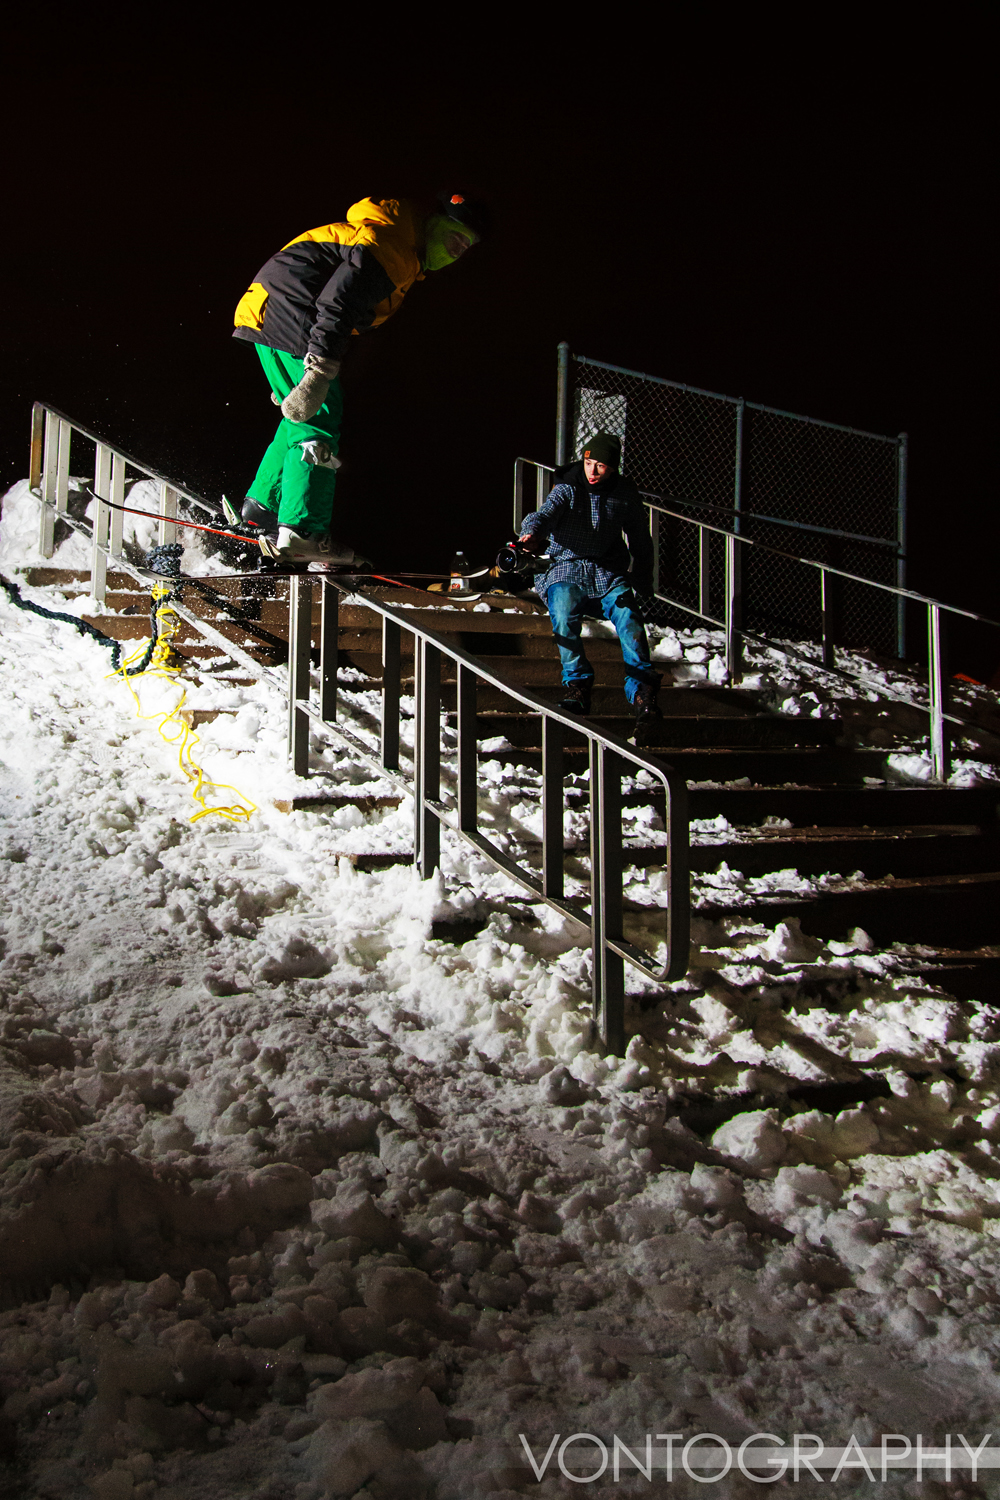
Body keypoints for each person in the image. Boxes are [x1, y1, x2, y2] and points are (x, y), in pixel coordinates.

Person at [233, 191, 488, 564]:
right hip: (295, 315)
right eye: (452, 236)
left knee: (300, 418)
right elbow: (339, 303)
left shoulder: (390, 241)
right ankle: (303, 529)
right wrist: (318, 370)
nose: (454, 250)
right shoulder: (393, 249)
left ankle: (263, 506)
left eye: (464, 247)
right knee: (319, 421)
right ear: (432, 223)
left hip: (270, 310)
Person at [517, 431, 662, 725]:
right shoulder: (568, 487)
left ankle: (642, 693)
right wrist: (531, 533)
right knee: (563, 609)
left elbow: (640, 538)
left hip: (607, 570)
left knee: (629, 617)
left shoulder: (624, 494)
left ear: (613, 468)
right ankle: (578, 685)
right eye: (589, 463)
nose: (593, 472)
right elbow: (544, 514)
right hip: (567, 566)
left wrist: (643, 578)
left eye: (601, 466)